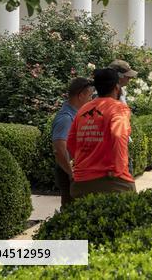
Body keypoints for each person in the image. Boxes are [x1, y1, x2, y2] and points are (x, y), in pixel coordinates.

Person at [67, 68, 135, 197]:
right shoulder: (118, 108)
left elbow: (70, 142)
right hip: (112, 181)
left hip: (81, 182)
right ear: (117, 87)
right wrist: (118, 170)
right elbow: (118, 135)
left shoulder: (83, 110)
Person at [51, 77, 94, 207]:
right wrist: (71, 173)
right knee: (72, 209)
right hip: (69, 172)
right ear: (81, 95)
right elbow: (59, 149)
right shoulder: (66, 118)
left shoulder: (76, 115)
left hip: (75, 170)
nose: (91, 99)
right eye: (90, 95)